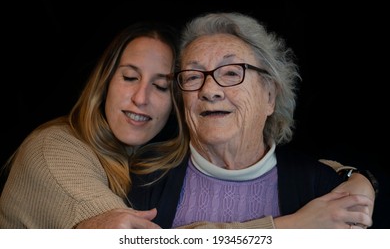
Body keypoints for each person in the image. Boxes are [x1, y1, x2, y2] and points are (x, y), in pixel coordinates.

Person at [127, 12, 376, 229]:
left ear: (269, 96)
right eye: (193, 77)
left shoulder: (326, 189)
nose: (209, 90)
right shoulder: (140, 180)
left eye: (232, 72)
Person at [0, 21, 189, 228]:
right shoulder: (52, 147)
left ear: (174, 103)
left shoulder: (151, 165)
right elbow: (127, 235)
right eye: (130, 77)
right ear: (105, 82)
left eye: (161, 86)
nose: (141, 98)